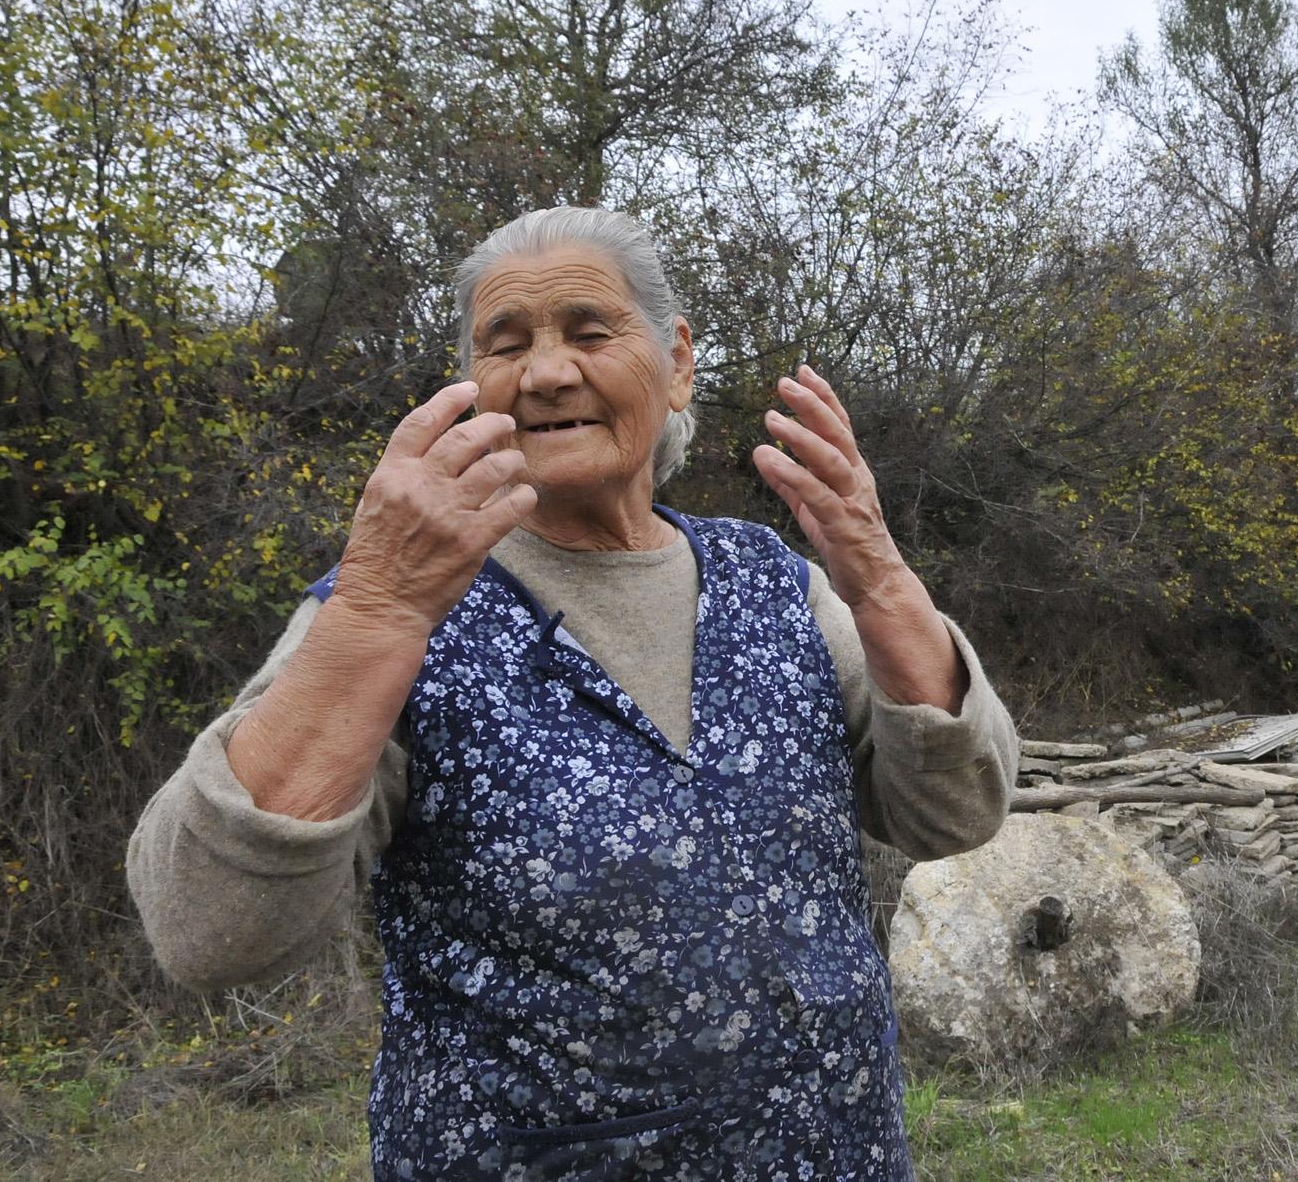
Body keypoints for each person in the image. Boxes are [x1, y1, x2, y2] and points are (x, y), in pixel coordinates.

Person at [126, 207, 1019, 1180]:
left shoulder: (773, 584)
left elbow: (954, 813)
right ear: (471, 389)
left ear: (675, 362)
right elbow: (206, 932)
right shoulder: (401, 608)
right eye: (505, 345)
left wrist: (882, 581)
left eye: (589, 332)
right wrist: (376, 610)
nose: (548, 371)